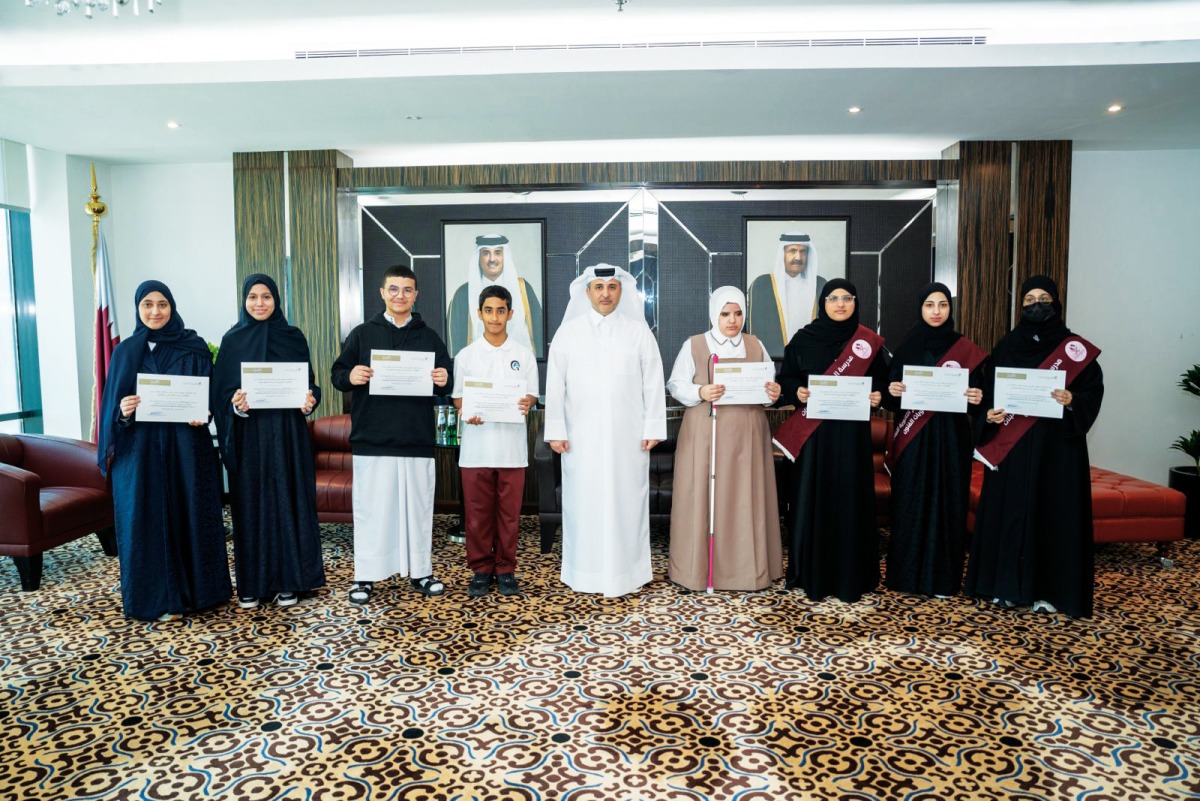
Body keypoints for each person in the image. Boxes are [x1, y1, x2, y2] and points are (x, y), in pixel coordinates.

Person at [965, 275, 1103, 618]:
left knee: (1054, 515)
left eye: (1044, 298)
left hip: (1058, 451)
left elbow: (1092, 392)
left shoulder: (1074, 349)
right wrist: (989, 414)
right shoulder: (1008, 345)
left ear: (1056, 304)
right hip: (1013, 448)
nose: (1036, 304)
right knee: (1010, 513)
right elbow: (987, 391)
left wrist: (1073, 399)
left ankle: (1051, 592)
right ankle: (1006, 588)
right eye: (1029, 299)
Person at [97, 280, 232, 622]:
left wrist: (206, 414)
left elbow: (212, 396)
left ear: (172, 307)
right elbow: (111, 408)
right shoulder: (127, 351)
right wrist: (123, 411)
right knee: (146, 519)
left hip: (187, 448)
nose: (155, 311)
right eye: (147, 305)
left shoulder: (194, 347)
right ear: (138, 309)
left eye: (162, 304)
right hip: (140, 454)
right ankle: (156, 599)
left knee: (192, 513)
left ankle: (201, 593)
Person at [331, 264, 453, 604]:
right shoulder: (361, 334)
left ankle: (421, 572)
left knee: (417, 509)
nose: (400, 295)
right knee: (373, 511)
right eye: (394, 289)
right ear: (383, 293)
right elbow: (337, 373)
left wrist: (444, 378)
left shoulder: (429, 337)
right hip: (373, 438)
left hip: (415, 439)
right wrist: (351, 375)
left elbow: (448, 377)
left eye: (407, 290)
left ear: (416, 295)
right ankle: (366, 576)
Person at [544, 264, 666, 597]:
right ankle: (583, 573)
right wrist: (556, 429)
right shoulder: (568, 333)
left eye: (612, 287)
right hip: (580, 441)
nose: (605, 294)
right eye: (598, 287)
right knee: (583, 505)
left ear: (621, 291)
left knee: (627, 505)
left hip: (628, 440)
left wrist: (653, 425)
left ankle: (628, 573)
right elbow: (554, 386)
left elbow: (654, 382)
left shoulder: (638, 332)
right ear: (587, 292)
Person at [213, 273, 325, 609]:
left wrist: (310, 400)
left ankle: (289, 580)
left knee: (287, 503)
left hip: (288, 435)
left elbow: (311, 385)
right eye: (253, 297)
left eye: (266, 297)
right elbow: (221, 393)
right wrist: (236, 403)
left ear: (276, 300)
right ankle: (252, 584)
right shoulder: (232, 340)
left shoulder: (293, 337)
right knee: (251, 507)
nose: (260, 303)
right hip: (250, 437)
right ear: (244, 301)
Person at [775, 278, 887, 603]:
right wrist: (796, 390)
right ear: (823, 303)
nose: (840, 304)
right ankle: (813, 573)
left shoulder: (868, 342)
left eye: (847, 298)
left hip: (853, 437)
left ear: (855, 302)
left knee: (852, 499)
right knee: (813, 498)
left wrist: (878, 395)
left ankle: (853, 575)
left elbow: (883, 380)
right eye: (833, 298)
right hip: (815, 438)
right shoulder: (804, 339)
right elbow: (787, 378)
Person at [667, 286, 783, 591]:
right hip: (706, 433)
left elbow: (768, 388)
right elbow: (676, 384)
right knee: (702, 497)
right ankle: (697, 572)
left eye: (738, 313)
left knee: (747, 498)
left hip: (748, 436)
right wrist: (700, 392)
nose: (732, 320)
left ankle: (748, 572)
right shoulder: (694, 344)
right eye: (725, 313)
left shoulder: (755, 344)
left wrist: (773, 393)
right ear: (713, 314)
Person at [882, 283, 986, 598]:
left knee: (947, 502)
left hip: (951, 439)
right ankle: (906, 577)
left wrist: (977, 397)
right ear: (921, 308)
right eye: (930, 305)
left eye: (942, 304)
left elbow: (981, 399)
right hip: (913, 441)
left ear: (950, 309)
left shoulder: (965, 348)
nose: (937, 311)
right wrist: (893, 391)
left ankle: (942, 579)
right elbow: (890, 394)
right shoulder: (907, 348)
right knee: (910, 501)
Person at [451, 285, 539, 597]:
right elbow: (459, 399)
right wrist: (469, 411)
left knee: (508, 515)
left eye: (501, 310)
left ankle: (505, 568)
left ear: (510, 314)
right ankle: (480, 568)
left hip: (512, 451)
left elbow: (531, 394)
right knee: (477, 515)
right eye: (488, 310)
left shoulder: (522, 355)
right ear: (479, 314)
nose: (494, 316)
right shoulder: (466, 355)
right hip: (476, 451)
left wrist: (526, 403)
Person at [447, 234, 544, 356]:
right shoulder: (462, 294)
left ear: (505, 256)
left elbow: (539, 335)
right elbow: (453, 343)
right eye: (486, 253)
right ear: (479, 257)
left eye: (498, 252)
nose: (492, 259)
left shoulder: (523, 290)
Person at [747, 232, 828, 356]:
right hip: (774, 361)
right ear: (782, 254)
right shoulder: (762, 285)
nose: (798, 257)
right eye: (792, 251)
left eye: (803, 251)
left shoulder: (821, 285)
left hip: (811, 359)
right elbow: (756, 330)